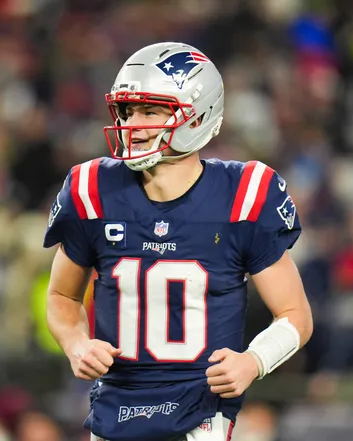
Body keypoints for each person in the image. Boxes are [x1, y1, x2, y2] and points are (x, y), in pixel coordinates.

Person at [43, 42, 313, 441]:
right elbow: (61, 298)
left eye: (150, 111)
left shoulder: (243, 194)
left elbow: (295, 314)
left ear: (198, 115)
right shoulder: (92, 189)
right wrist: (76, 344)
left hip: (199, 410)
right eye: (128, 111)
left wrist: (253, 361)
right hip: (115, 405)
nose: (133, 124)